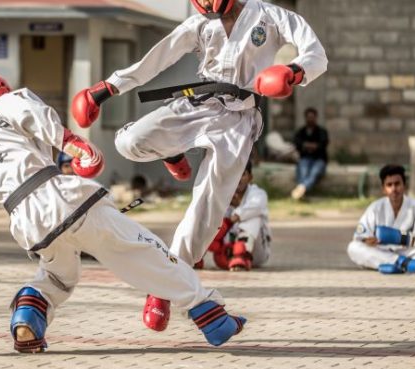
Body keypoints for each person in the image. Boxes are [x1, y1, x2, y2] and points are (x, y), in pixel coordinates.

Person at [0, 69, 247, 352]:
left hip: (26, 222)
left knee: (59, 275)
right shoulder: (9, 102)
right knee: (141, 248)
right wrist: (71, 142)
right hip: (57, 194)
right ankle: (210, 314)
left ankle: (28, 319)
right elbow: (34, 114)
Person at [70, 0, 327, 332]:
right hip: (197, 106)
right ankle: (171, 152)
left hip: (239, 121)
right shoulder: (199, 24)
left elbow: (316, 52)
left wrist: (294, 71)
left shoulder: (271, 16)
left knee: (205, 215)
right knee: (129, 141)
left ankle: (162, 287)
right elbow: (157, 59)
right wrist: (107, 88)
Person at [347, 165, 415, 274]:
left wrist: (404, 238)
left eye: (397, 184)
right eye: (389, 185)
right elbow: (359, 237)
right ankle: (404, 263)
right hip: (382, 251)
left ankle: (395, 263)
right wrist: (367, 240)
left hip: (409, 251)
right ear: (384, 189)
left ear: (404, 186)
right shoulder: (375, 208)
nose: (394, 189)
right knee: (353, 248)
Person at [205, 161, 270, 271]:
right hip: (226, 252)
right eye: (234, 174)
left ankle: (241, 254)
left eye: (242, 174)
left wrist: (229, 221)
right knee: (208, 218)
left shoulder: (258, 193)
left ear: (250, 177)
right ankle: (195, 258)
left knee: (253, 216)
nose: (237, 178)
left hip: (256, 253)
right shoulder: (222, 196)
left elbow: (256, 207)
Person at [291, 107, 329, 200]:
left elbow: (322, 144)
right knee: (303, 171)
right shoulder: (301, 132)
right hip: (305, 158)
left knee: (314, 172)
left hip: (319, 159)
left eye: (312, 117)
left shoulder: (322, 132)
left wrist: (307, 145)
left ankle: (301, 189)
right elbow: (297, 143)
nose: (310, 119)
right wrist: (311, 146)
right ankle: (302, 192)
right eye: (309, 117)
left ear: (316, 118)